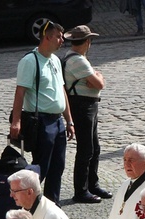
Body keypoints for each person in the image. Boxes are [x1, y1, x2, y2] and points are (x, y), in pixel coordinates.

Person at [10, 21, 75, 205]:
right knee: (41, 168)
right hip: (42, 122)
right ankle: (27, 205)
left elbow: (61, 91)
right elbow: (20, 92)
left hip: (57, 123)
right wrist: (16, 121)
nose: (62, 40)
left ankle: (52, 209)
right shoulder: (30, 61)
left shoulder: (55, 60)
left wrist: (69, 121)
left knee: (58, 167)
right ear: (47, 37)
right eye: (58, 36)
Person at [62, 25, 111, 204]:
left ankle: (92, 184)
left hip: (88, 105)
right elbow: (99, 83)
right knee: (86, 149)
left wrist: (95, 78)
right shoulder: (78, 61)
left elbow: (96, 81)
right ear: (88, 42)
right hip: (82, 106)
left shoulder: (75, 57)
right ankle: (81, 190)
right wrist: (97, 77)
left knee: (94, 147)